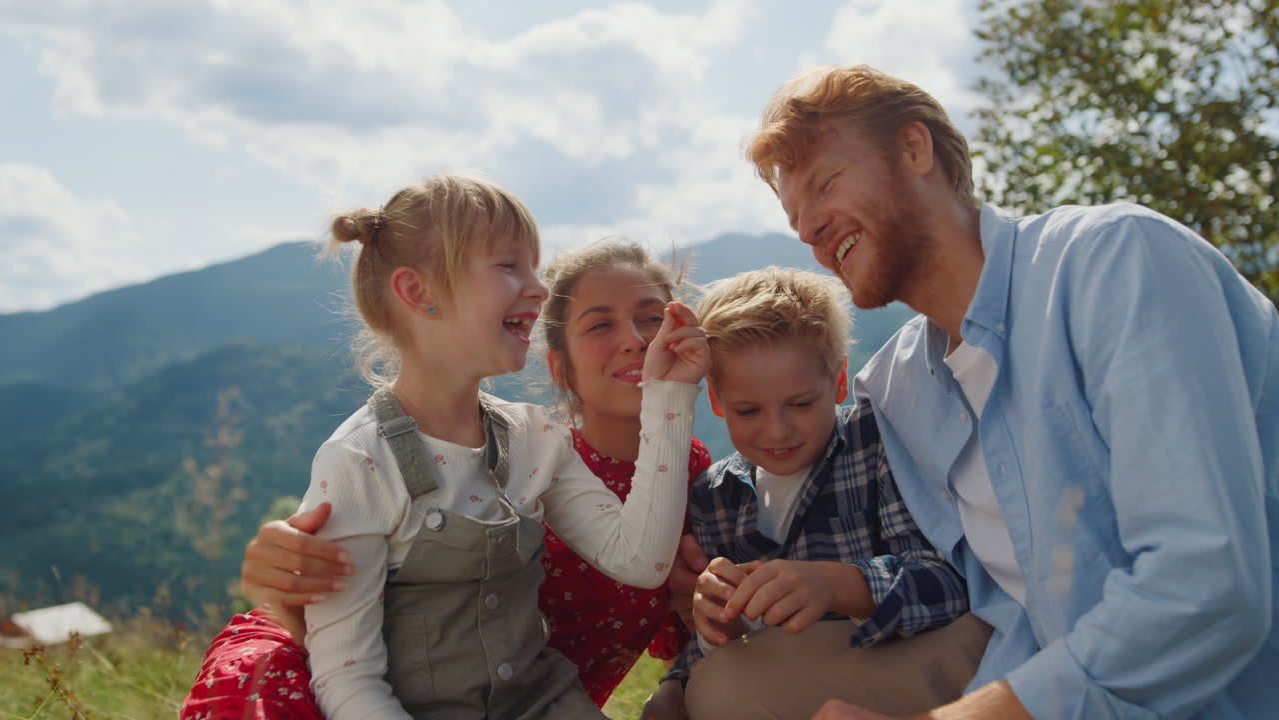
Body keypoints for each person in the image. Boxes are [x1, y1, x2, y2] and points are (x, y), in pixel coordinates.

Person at [748, 65, 1278, 719]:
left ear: (915, 150)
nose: (809, 231)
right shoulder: (898, 387)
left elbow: (1205, 581)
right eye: (796, 216)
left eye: (826, 183)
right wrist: (706, 560)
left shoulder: (1115, 261)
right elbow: (1012, 610)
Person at [231, 175, 707, 720]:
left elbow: (641, 560)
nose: (540, 289)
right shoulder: (360, 462)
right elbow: (350, 683)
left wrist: (670, 395)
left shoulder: (535, 438)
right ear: (419, 293)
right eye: (509, 266)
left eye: (534, 266)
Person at [642, 267, 986, 720]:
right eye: (748, 410)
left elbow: (949, 584)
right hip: (794, 680)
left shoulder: (874, 444)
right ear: (717, 400)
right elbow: (726, 644)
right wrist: (712, 627)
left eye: (801, 404)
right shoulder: (716, 496)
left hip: (902, 661)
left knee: (722, 696)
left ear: (839, 382)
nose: (777, 430)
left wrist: (838, 585)